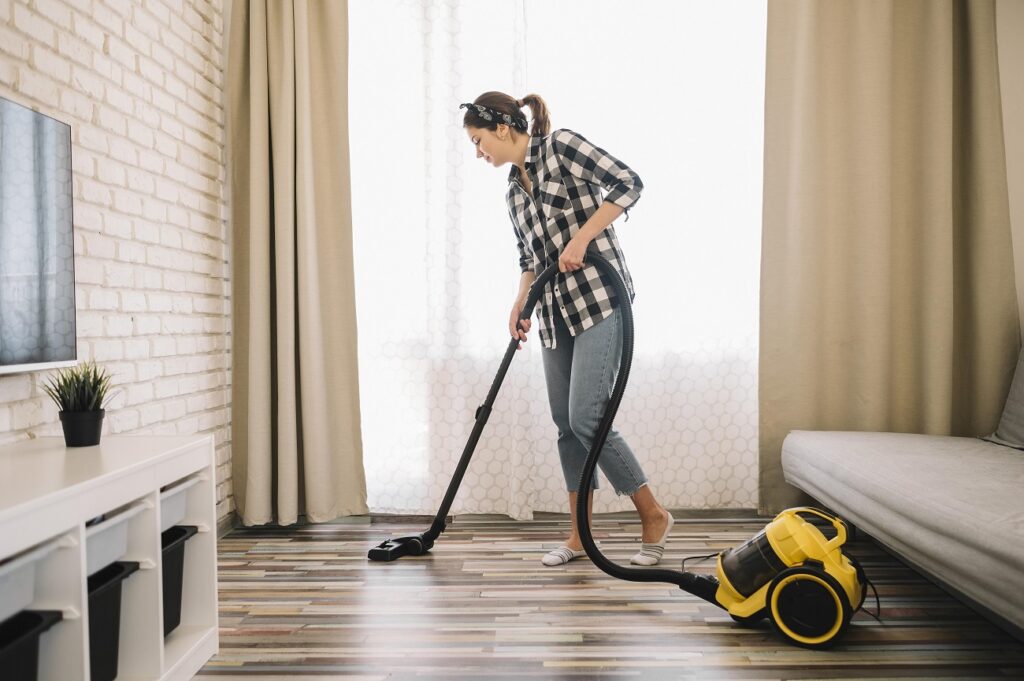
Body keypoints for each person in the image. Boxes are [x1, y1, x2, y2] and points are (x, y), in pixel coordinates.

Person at [461, 92, 674, 567]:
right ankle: (579, 537)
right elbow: (529, 258)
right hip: (555, 315)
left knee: (586, 417)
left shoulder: (562, 147)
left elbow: (628, 182)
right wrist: (520, 300)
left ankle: (653, 514)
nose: (478, 153)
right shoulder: (513, 192)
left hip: (600, 300)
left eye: (478, 141)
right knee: (566, 428)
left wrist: (583, 237)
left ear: (501, 129)